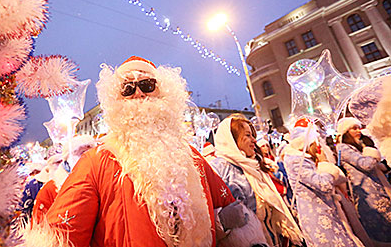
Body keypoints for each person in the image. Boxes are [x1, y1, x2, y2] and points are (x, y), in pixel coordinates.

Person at [25, 56, 266, 247]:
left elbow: (229, 213)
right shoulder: (97, 161)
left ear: (164, 93)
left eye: (147, 85)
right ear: (116, 99)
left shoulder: (191, 157)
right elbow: (62, 234)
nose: (139, 93)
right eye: (128, 89)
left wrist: (224, 224)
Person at [210, 115, 302, 247]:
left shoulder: (254, 164)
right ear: (232, 139)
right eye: (248, 135)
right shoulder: (218, 168)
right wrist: (222, 220)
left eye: (253, 135)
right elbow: (206, 217)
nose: (254, 140)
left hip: (272, 239)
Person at [282, 119, 365, 247]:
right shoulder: (296, 160)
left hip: (327, 211)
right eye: (316, 140)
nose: (319, 144)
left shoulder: (305, 159)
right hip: (317, 217)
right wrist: (325, 164)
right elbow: (324, 185)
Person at [336, 117, 391, 245]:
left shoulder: (358, 145)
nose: (358, 131)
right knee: (381, 227)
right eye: (354, 128)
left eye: (358, 128)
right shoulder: (342, 148)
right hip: (367, 193)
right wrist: (371, 150)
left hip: (378, 189)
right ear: (345, 132)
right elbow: (365, 164)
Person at [32, 135, 97, 223]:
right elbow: (38, 226)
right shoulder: (51, 188)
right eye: (82, 153)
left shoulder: (101, 182)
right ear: (68, 158)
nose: (88, 157)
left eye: (91, 152)